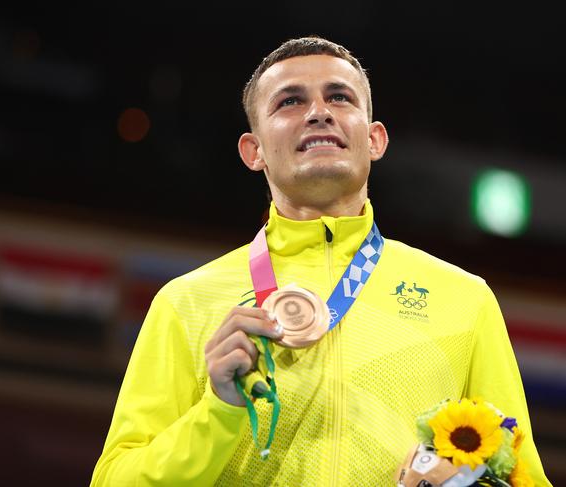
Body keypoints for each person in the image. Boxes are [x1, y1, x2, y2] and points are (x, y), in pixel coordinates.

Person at [91, 36, 551, 485]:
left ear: (374, 139)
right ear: (254, 152)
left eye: (339, 97)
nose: (318, 112)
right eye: (290, 102)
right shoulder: (185, 302)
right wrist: (219, 410)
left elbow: (521, 476)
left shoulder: (465, 299)